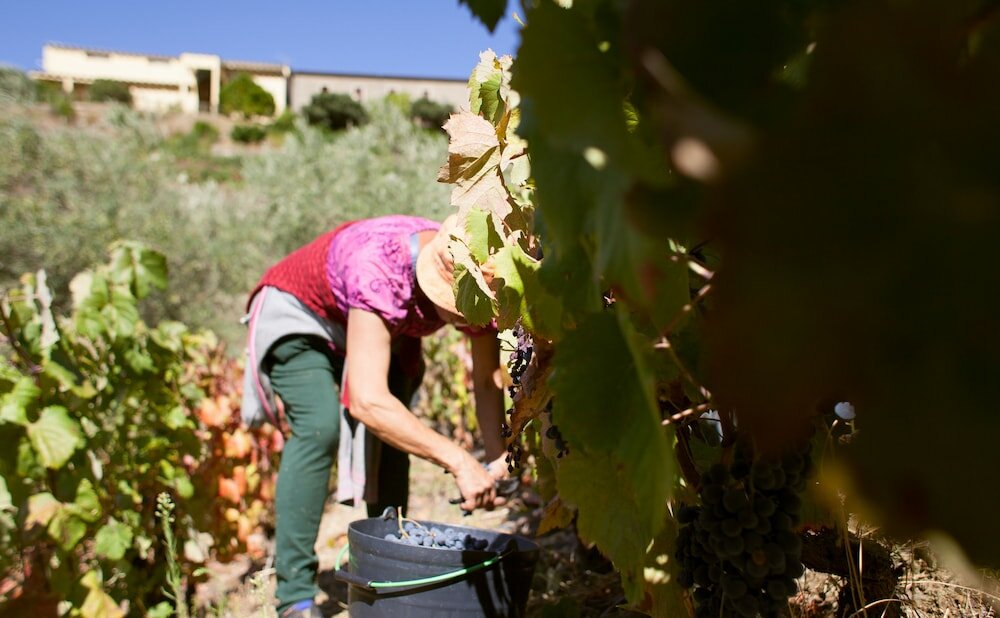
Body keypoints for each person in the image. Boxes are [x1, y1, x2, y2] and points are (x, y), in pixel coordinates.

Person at [239, 214, 509, 618]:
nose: (468, 323)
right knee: (319, 427)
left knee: (396, 432)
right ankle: (293, 596)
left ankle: (389, 566)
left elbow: (487, 383)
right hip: (301, 314)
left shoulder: (473, 265)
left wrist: (496, 459)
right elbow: (367, 401)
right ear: (436, 285)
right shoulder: (380, 270)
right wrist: (458, 459)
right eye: (459, 312)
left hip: (376, 325)